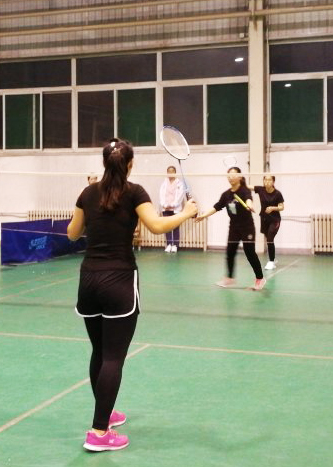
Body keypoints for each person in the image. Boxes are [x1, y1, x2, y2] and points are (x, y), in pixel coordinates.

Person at [67, 138, 197, 452]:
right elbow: (156, 226)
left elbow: (72, 233)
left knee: (100, 352)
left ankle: (106, 412)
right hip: (119, 281)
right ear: (130, 164)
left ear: (104, 163)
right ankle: (99, 432)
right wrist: (187, 212)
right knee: (113, 357)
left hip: (89, 280)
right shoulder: (135, 192)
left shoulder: (87, 193)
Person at [195, 167, 266, 290]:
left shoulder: (244, 190)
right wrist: (204, 216)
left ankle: (260, 278)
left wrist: (249, 205)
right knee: (230, 252)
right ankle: (229, 278)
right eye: (229, 176)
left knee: (250, 253)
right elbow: (217, 206)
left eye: (233, 175)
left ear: (240, 177)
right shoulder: (226, 194)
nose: (230, 178)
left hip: (247, 227)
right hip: (233, 227)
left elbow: (249, 199)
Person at [254, 175, 284, 270]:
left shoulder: (277, 193)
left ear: (273, 182)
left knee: (270, 238)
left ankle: (271, 262)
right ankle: (272, 258)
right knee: (269, 240)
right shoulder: (260, 190)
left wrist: (272, 208)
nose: (267, 181)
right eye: (265, 180)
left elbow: (282, 207)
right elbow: (248, 187)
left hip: (275, 220)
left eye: (269, 180)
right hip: (264, 219)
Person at [158, 165, 186, 253]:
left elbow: (180, 196)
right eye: (169, 172)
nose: (170, 173)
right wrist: (164, 204)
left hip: (176, 208)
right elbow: (161, 195)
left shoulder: (179, 183)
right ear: (167, 173)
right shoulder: (164, 183)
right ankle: (169, 244)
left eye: (172, 171)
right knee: (167, 227)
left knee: (175, 227)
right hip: (165, 208)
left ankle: (175, 245)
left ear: (175, 173)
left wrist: (173, 205)